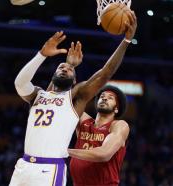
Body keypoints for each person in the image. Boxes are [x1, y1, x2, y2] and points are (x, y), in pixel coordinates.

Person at [9, 11, 137, 186]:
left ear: (75, 80)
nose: (64, 69)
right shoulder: (38, 95)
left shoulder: (75, 99)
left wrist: (126, 41)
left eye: (69, 70)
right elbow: (20, 83)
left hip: (49, 168)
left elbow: (104, 74)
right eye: (60, 68)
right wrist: (42, 55)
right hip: (23, 165)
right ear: (53, 74)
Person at [69, 85, 129, 186]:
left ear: (116, 109)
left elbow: (104, 154)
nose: (104, 98)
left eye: (110, 98)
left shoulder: (119, 125)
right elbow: (69, 100)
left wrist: (66, 151)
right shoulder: (84, 121)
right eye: (102, 96)